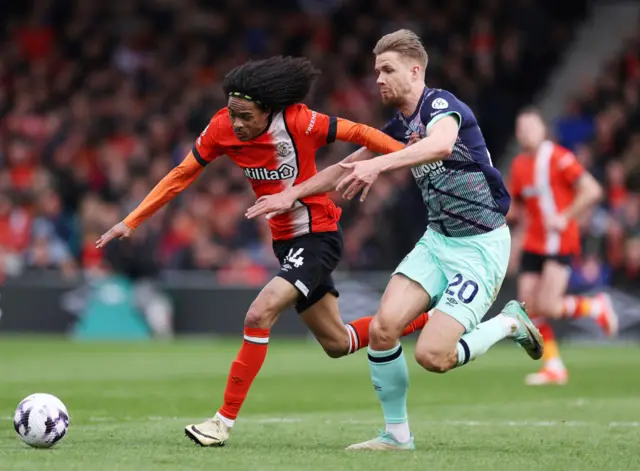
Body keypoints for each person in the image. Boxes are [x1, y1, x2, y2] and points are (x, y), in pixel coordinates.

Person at [96, 56, 430, 447]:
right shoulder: (222, 127)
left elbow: (358, 132)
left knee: (259, 312)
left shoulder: (299, 121)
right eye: (233, 114)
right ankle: (437, 317)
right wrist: (131, 220)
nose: (237, 123)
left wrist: (406, 156)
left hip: (318, 235)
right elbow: (180, 174)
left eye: (246, 116)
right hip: (285, 242)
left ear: (268, 110)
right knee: (338, 343)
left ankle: (221, 423)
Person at [246, 30, 543, 451]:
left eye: (387, 70)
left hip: (479, 245)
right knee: (384, 330)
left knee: (433, 357)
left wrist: (380, 166)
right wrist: (291, 194)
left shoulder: (441, 106)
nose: (379, 79)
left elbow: (441, 146)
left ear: (415, 70)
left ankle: (509, 322)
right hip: (437, 241)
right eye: (376, 72)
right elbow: (347, 167)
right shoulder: (400, 126)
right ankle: (397, 436)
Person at [508, 108, 617, 386]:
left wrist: (566, 216)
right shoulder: (519, 165)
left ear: (542, 129)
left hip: (560, 241)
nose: (525, 132)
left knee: (549, 305)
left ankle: (595, 307)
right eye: (521, 128)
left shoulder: (558, 157)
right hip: (534, 241)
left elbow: (592, 190)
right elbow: (518, 210)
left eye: (530, 126)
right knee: (529, 308)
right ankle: (554, 366)